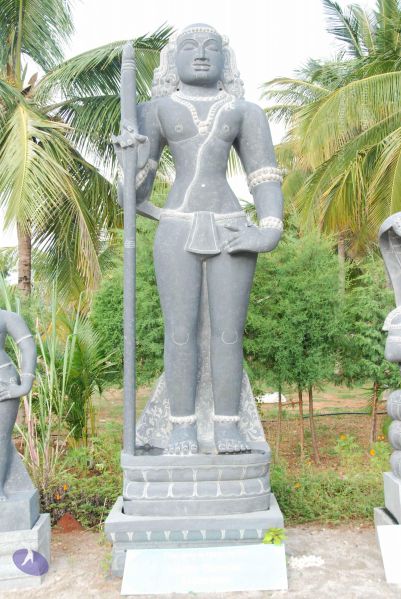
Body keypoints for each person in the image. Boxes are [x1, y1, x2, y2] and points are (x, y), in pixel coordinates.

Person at [133, 23, 283, 455]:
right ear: (173, 60)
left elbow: (264, 175)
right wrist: (132, 158)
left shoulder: (245, 111)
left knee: (228, 333)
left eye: (211, 47)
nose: (201, 54)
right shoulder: (155, 110)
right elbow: (136, 194)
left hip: (230, 225)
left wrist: (269, 229)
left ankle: (227, 425)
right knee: (179, 332)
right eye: (190, 47)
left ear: (225, 59)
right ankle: (181, 427)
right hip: (177, 225)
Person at [0, 310, 36, 499]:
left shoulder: (7, 317)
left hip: (3, 384)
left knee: (0, 437)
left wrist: (25, 385)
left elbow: (28, 347)